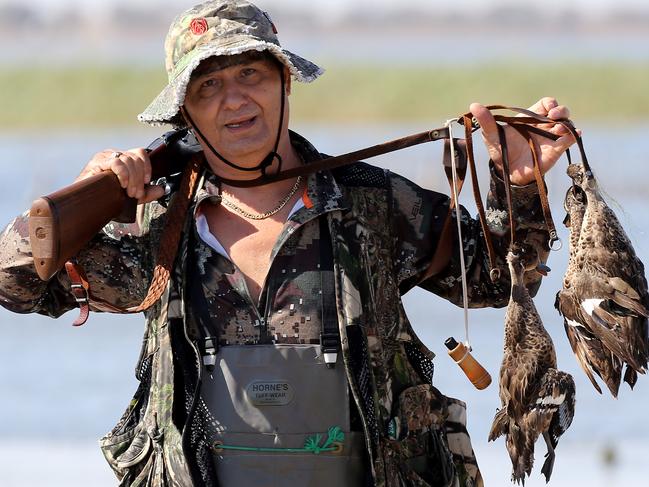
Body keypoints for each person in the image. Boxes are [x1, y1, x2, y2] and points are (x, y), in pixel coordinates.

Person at [0, 1, 576, 486]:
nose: (234, 99)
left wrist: (520, 187)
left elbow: (499, 283)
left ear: (284, 81)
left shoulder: (372, 204)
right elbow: (14, 283)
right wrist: (84, 192)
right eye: (208, 86)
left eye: (250, 74)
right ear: (184, 114)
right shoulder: (154, 224)